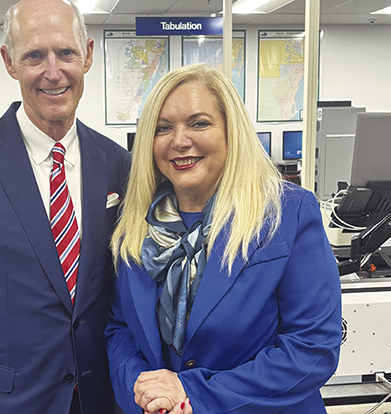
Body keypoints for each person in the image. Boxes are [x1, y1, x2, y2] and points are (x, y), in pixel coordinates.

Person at [0, 0, 130, 414]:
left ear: (87, 55)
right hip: (8, 401)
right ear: (10, 61)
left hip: (102, 396)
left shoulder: (117, 163)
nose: (54, 72)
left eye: (66, 53)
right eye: (35, 56)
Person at [106, 64, 342, 414]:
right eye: (163, 128)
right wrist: (147, 395)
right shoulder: (136, 223)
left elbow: (312, 348)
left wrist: (191, 393)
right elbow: (120, 329)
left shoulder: (287, 213)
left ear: (232, 131)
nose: (179, 141)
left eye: (199, 123)